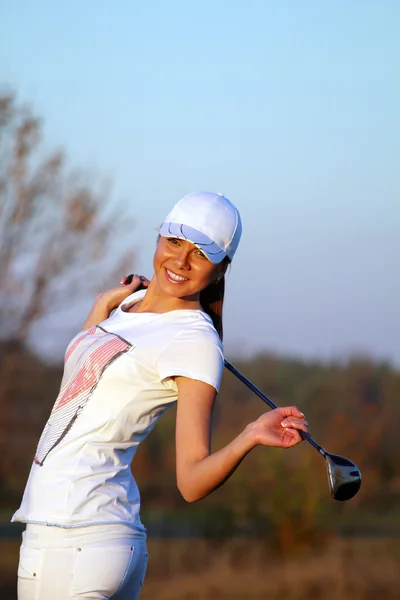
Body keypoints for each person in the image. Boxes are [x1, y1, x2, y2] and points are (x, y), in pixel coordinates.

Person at [12, 191, 309, 600]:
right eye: (174, 242)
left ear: (221, 269)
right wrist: (106, 303)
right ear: (159, 239)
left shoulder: (194, 340)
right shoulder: (129, 306)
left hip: (77, 541)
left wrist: (250, 435)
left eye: (200, 254)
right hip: (71, 539)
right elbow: (77, 382)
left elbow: (191, 481)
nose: (181, 262)